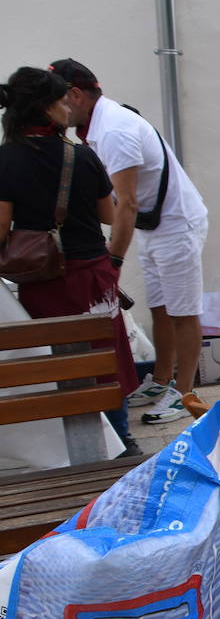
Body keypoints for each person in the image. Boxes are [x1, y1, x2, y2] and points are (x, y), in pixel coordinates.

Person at [50, 58, 209, 426]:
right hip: (155, 226)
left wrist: (113, 261)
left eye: (57, 99)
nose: (54, 109)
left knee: (183, 312)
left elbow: (127, 202)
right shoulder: (97, 126)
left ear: (75, 95)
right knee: (159, 307)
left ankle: (184, 394)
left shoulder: (113, 131)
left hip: (176, 224)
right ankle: (160, 380)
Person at [0, 66, 140, 455]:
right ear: (45, 108)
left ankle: (66, 446)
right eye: (62, 101)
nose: (67, 108)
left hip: (42, 280)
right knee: (104, 359)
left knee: (54, 363)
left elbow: (0, 226)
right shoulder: (81, 156)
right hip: (92, 275)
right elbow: (110, 215)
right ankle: (121, 440)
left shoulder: (5, 159)